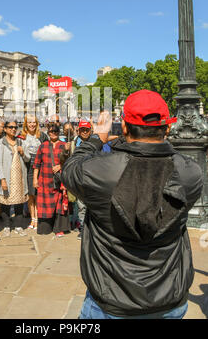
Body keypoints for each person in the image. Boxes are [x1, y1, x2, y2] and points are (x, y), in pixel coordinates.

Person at [62, 90, 203, 319]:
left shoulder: (98, 171)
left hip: (111, 300)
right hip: (169, 297)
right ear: (167, 128)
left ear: (124, 127)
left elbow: (71, 168)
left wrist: (98, 138)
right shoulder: (191, 173)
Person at [33, 123, 70, 237]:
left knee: (59, 205)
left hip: (59, 181)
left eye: (56, 131)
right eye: (51, 131)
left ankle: (59, 228)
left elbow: (70, 163)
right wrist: (35, 179)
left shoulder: (65, 145)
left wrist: (60, 166)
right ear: (48, 133)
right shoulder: (43, 145)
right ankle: (46, 227)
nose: (53, 133)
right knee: (44, 205)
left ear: (59, 132)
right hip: (44, 180)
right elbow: (37, 164)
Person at [0, 120, 29, 236]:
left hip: (19, 177)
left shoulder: (21, 142)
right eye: (10, 127)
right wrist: (2, 179)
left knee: (19, 202)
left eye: (15, 127)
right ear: (5, 129)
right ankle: (6, 226)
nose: (13, 129)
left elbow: (28, 159)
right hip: (7, 176)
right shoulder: (1, 143)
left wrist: (23, 153)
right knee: (6, 202)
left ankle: (18, 226)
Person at [20, 114, 48, 230]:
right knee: (30, 195)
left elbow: (47, 150)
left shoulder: (42, 136)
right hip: (26, 167)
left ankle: (38, 218)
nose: (32, 125)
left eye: (34, 122)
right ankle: (33, 218)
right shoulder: (21, 136)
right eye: (29, 122)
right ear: (26, 124)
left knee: (37, 194)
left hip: (39, 167)